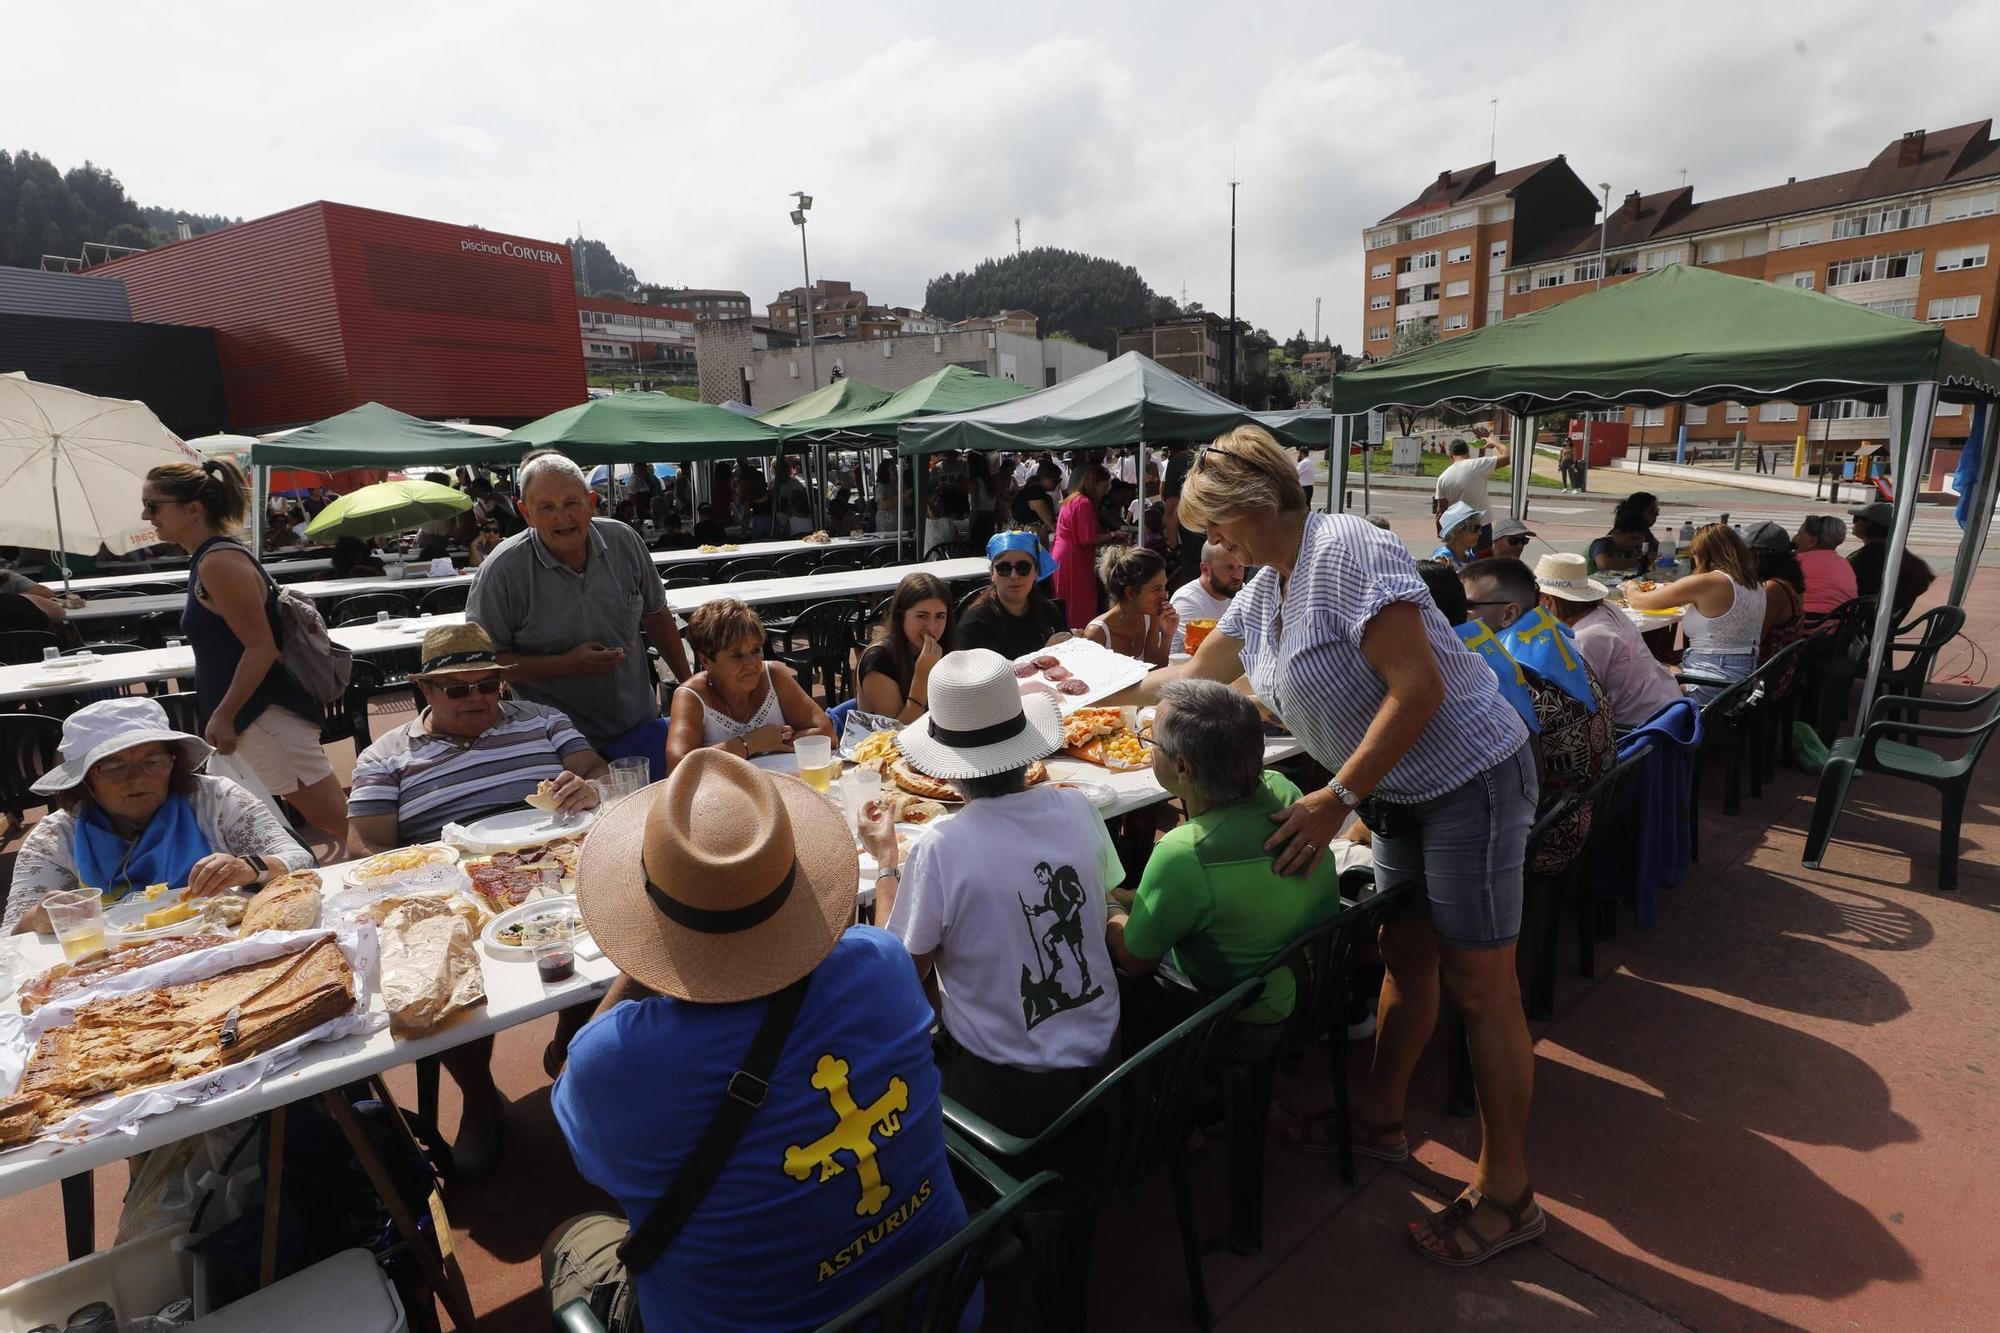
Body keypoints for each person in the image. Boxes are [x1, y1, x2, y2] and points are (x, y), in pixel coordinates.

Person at [1114, 425, 1542, 1265]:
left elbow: (1416, 689)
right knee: (1403, 956)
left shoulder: (1344, 548)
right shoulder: (1266, 583)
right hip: (1401, 793)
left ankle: (1509, 1189)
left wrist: (1336, 797)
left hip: (1470, 779)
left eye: (1215, 523)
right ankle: (1381, 1117)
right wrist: (1075, 679)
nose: (1212, 542)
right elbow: (1195, 672)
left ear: (1252, 505)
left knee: (1481, 985)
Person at [545, 749, 970, 1332]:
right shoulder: (885, 965)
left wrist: (648, 952)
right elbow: (845, 947)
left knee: (569, 1239)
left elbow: (571, 1094)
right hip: (938, 1302)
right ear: (794, 880)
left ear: (650, 919)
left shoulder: (615, 1064)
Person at [346, 624, 606, 1175]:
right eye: (458, 690)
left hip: (556, 867)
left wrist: (589, 788)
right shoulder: (385, 757)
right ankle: (481, 1097)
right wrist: (425, 876)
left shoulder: (544, 721)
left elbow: (598, 774)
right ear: (425, 690)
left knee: (621, 918)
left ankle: (575, 1036)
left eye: (488, 685)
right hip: (448, 893)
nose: (477, 699)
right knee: (435, 974)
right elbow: (365, 846)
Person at [872, 650, 1123, 1135]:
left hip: (1011, 1092)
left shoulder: (943, 848)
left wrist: (886, 864)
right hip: (1108, 1057)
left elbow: (897, 974)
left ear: (944, 768)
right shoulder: (1077, 808)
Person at [1106, 679, 1352, 1043]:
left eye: (1150, 740)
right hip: (1316, 987)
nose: (1147, 748)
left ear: (1183, 768)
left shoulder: (1183, 853)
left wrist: (1109, 903)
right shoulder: (1284, 790)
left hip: (1248, 1019)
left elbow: (1134, 959)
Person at [143, 458, 347, 854]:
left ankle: (419, 882)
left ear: (194, 508)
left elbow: (261, 647)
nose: (146, 515)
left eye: (153, 506)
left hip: (264, 715)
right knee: (326, 820)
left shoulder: (218, 561)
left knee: (341, 823)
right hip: (260, 716)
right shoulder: (211, 559)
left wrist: (223, 713)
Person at [6, 697, 314, 936]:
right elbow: (12, 932)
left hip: (220, 942)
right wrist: (42, 917)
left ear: (173, 762)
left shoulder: (214, 800)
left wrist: (249, 867)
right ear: (85, 779)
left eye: (152, 761)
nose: (136, 779)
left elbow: (300, 860)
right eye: (113, 768)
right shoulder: (58, 835)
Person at [466, 453, 692, 780]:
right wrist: (567, 664)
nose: (563, 517)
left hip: (638, 727)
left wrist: (689, 685)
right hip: (556, 747)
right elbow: (484, 666)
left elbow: (657, 616)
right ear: (525, 513)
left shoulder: (624, 541)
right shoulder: (501, 572)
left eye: (572, 502)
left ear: (591, 503)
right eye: (547, 507)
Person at [1460, 559, 1615, 875]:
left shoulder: (1511, 672)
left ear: (1509, 614)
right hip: (1596, 811)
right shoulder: (1553, 643)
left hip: (1553, 834)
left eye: (1469, 606)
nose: (1460, 615)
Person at [666, 599, 832, 770]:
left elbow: (826, 733)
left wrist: (777, 739)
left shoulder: (773, 676)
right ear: (706, 661)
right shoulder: (691, 696)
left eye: (755, 651)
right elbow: (677, 766)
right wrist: (751, 744)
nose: (751, 663)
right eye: (737, 656)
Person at [1624, 523, 1766, 702]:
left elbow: (1638, 602)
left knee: (1634, 670)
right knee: (1656, 664)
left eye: (1693, 554)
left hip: (1708, 680)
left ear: (1702, 553)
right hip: (1741, 676)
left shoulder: (1709, 582)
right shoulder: (1755, 584)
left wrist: (1632, 586)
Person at [1535, 554, 1682, 727]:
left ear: (1548, 601)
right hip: (1666, 708)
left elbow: (1579, 702)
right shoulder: (1607, 609)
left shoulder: (1584, 637)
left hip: (1641, 730)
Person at [956, 531, 1070, 659]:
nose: (1014, 576)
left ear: (1036, 572)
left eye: (1023, 567)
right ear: (992, 574)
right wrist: (1044, 655)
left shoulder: (1048, 612)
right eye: (1004, 568)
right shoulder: (976, 625)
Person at [858, 573, 952, 723]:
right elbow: (897, 734)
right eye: (922, 616)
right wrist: (922, 676)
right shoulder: (878, 661)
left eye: (940, 616)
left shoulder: (943, 649)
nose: (932, 627)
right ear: (901, 616)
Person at [1051, 464, 1117, 631]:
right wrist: (1113, 535)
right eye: (1103, 487)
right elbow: (1087, 539)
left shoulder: (1072, 498)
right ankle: (1080, 635)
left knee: (1065, 601)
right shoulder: (1084, 503)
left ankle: (1067, 634)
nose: (1105, 491)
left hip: (1063, 554)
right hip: (1074, 558)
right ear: (1094, 484)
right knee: (1079, 602)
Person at [1087, 545, 1176, 668]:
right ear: (1130, 592)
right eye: (1157, 589)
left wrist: (1167, 636)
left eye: (1164, 587)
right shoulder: (1097, 634)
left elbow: (1155, 670)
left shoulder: (1150, 618)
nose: (1164, 595)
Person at [1847, 500, 1936, 615]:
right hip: (1880, 622)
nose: (1854, 523)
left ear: (1868, 524)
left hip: (1856, 622)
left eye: (1856, 519)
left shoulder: (1866, 559)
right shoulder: (1905, 558)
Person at [1168, 540, 1245, 655]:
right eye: (1229, 567)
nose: (1238, 576)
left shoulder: (1241, 590)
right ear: (1205, 569)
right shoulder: (1187, 600)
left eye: (1241, 566)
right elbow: (1212, 655)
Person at [1744, 522, 1805, 660]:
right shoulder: (1788, 581)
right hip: (1777, 668)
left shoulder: (1772, 589)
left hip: (1764, 674)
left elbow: (1750, 641)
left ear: (1756, 556)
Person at [1432, 427, 1509, 527]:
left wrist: (1441, 529)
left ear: (1451, 455)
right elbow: (1508, 457)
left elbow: (1441, 511)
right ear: (1468, 453)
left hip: (1458, 529)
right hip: (1481, 526)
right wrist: (1493, 442)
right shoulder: (1478, 465)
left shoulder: (1443, 478)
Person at [1793, 515, 1858, 616]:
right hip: (1841, 625)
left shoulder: (1796, 562)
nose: (1794, 538)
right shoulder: (1844, 564)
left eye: (1799, 534)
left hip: (1808, 625)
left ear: (1812, 541)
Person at [1588, 510, 1655, 577]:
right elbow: (1603, 564)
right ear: (1618, 533)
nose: (1638, 543)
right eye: (1633, 538)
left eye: (1641, 539)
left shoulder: (1631, 548)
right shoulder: (1602, 544)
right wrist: (1641, 560)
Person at [1010, 459, 1061, 538]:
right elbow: (1050, 524)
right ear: (1044, 479)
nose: (1058, 483)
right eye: (1056, 480)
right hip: (1021, 540)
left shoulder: (1034, 491)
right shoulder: (1035, 495)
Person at [1431, 502, 1484, 570]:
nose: (1479, 533)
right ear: (1458, 531)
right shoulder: (1442, 560)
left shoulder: (1471, 558)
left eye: (1480, 528)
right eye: (1476, 529)